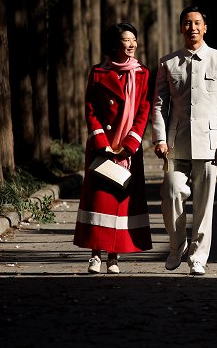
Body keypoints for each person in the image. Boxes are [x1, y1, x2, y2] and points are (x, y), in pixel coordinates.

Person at [152, 6, 217, 275]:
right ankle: (177, 244)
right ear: (181, 28)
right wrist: (159, 138)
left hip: (210, 142)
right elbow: (158, 105)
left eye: (197, 23)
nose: (192, 28)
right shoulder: (167, 63)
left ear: (205, 28)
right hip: (175, 142)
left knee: (204, 204)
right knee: (170, 192)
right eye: (187, 23)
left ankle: (199, 256)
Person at [73, 22, 152, 274]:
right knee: (100, 202)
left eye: (134, 40)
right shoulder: (98, 72)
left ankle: (114, 257)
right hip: (102, 148)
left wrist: (130, 144)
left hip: (128, 150)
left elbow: (143, 110)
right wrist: (101, 142)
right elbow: (91, 109)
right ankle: (95, 255)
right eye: (126, 40)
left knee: (121, 202)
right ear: (115, 44)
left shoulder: (142, 73)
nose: (132, 45)